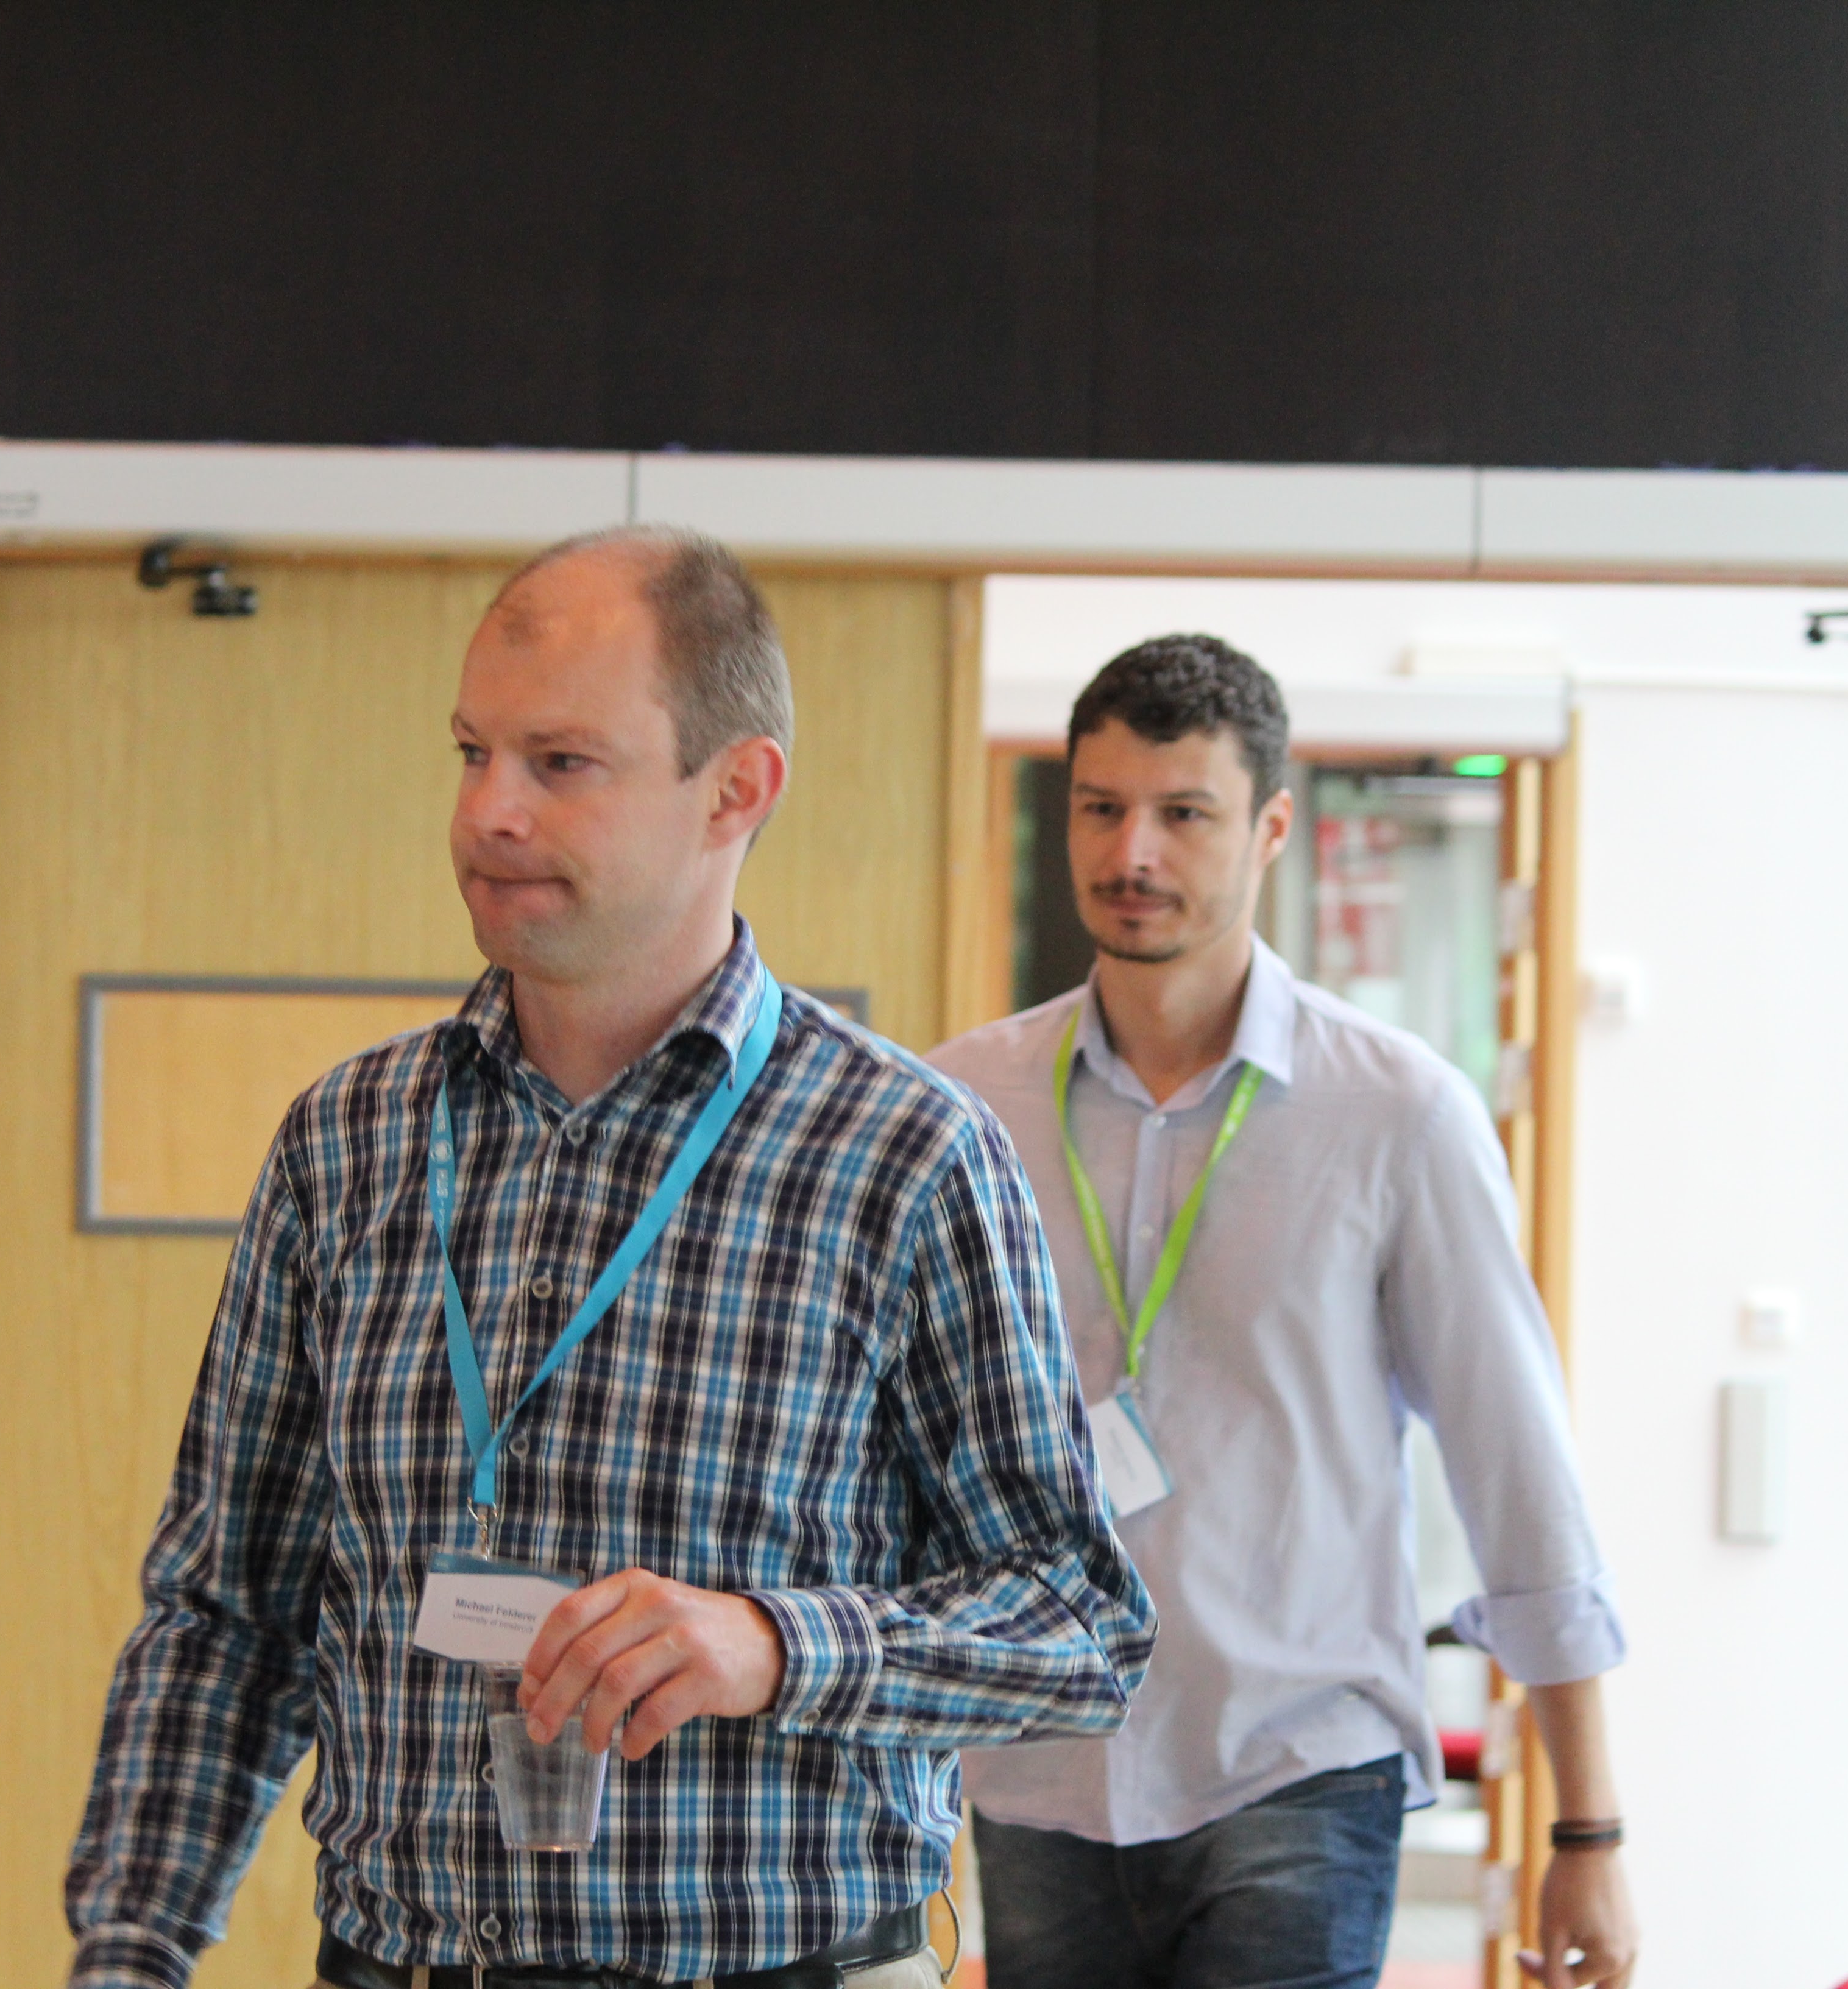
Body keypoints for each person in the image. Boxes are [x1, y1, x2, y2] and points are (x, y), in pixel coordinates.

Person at [65, 527, 1155, 1989]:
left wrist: (774, 1645)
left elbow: (1079, 1623)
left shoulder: (905, 1155)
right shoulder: (348, 1141)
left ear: (736, 790)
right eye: (472, 754)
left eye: (561, 763)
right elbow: (224, 1613)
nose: (489, 813)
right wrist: (129, 1948)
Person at [930, 635, 1638, 1989]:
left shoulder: (1396, 1113)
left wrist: (1586, 1826)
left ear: (1268, 829)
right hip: (1039, 1768)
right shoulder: (965, 1107)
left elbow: (1517, 1469)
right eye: (1100, 807)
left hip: (1296, 1762)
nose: (1132, 851)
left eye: (1183, 813)